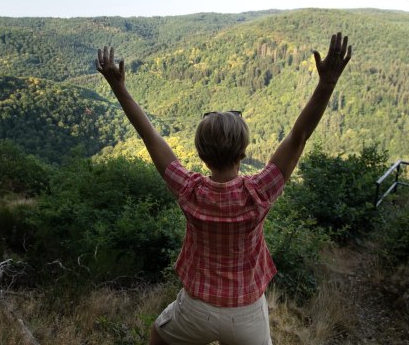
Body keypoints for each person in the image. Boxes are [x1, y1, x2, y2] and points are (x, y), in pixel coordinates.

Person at [96, 32, 352, 345]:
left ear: (201, 156)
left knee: (158, 335)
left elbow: (150, 137)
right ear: (244, 151)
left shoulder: (189, 190)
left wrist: (118, 86)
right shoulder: (260, 191)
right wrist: (326, 84)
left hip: (196, 309)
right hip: (247, 314)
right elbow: (299, 137)